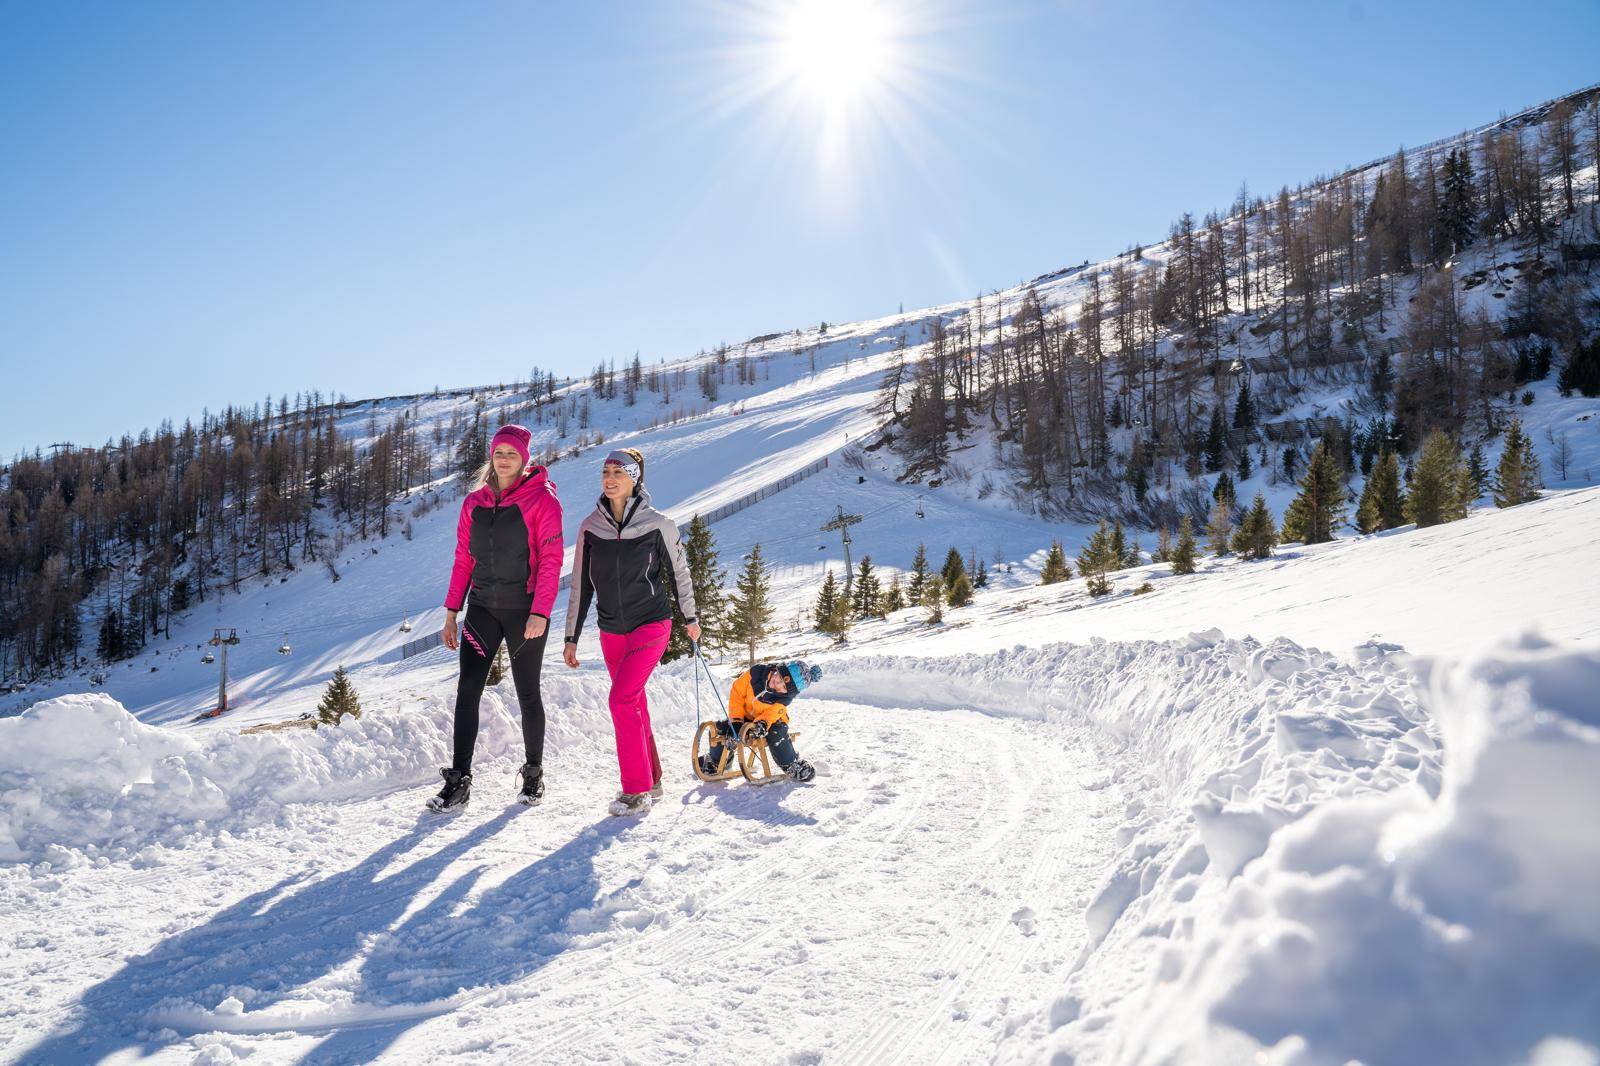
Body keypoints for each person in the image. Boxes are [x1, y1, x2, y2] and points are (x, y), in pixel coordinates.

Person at [428, 424, 563, 813]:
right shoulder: (474, 503)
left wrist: (540, 612)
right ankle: (459, 780)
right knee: (467, 691)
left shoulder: (543, 501)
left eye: (512, 453)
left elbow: (552, 560)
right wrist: (452, 613)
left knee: (527, 693)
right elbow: (462, 559)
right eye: (499, 452)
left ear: (525, 459)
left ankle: (534, 774)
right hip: (482, 610)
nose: (504, 459)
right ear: (492, 457)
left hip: (524, 613)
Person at [563, 448, 700, 816]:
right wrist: (571, 637)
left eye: (618, 472)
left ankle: (635, 789)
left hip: (652, 625)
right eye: (605, 471)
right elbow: (580, 586)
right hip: (611, 630)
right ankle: (652, 776)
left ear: (635, 478)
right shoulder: (591, 528)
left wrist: (690, 617)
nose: (609, 478)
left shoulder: (658, 524)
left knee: (621, 699)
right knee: (633, 702)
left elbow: (679, 573)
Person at [699, 660, 821, 782]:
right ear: (777, 669)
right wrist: (736, 721)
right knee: (719, 728)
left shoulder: (782, 700)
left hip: (772, 722)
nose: (777, 684)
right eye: (780, 677)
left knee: (777, 733)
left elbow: (770, 715)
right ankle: (716, 762)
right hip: (745, 716)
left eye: (784, 687)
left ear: (788, 693)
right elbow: (737, 693)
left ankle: (791, 764)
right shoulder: (756, 674)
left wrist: (762, 724)